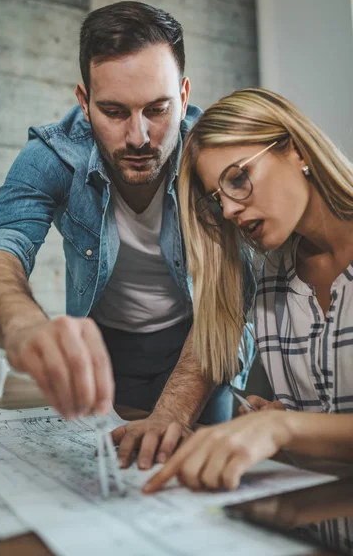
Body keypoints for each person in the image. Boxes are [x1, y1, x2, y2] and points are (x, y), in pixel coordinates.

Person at [0, 1, 251, 470]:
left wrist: (173, 412)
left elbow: (230, 305)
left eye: (158, 109)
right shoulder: (52, 154)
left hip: (199, 350)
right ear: (84, 100)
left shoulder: (216, 160)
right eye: (114, 111)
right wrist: (23, 326)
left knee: (197, 484)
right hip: (104, 355)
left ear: (184, 92)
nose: (138, 137)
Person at [143, 87, 353, 493]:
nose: (229, 210)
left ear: (297, 151)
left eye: (238, 179)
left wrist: (285, 426)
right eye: (217, 199)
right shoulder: (271, 279)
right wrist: (278, 420)